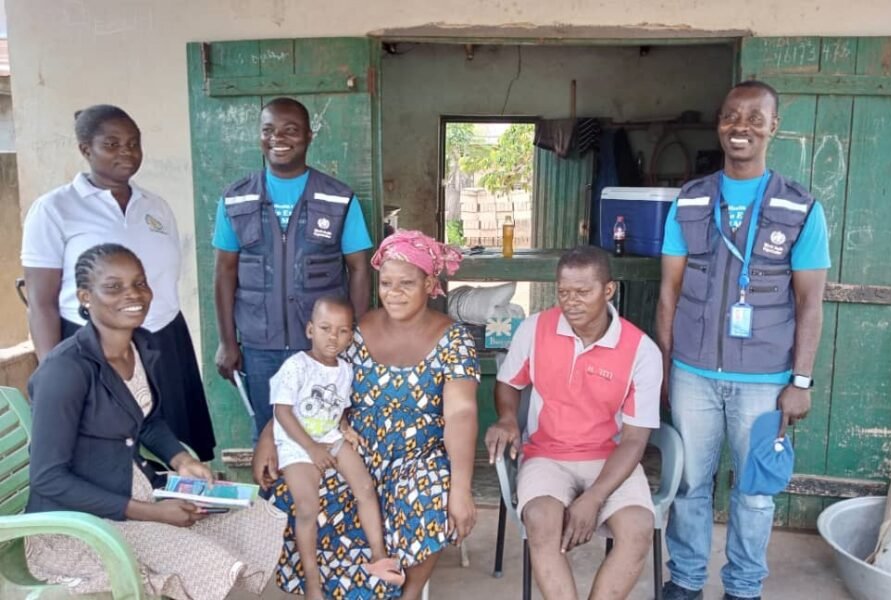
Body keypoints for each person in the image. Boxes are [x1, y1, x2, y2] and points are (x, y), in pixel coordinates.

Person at [24, 243, 286, 600]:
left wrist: (183, 460)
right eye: (113, 286)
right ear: (85, 297)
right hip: (80, 526)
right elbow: (48, 477)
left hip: (139, 491)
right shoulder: (66, 370)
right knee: (209, 562)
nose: (133, 295)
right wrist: (149, 513)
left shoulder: (140, 347)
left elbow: (147, 420)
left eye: (140, 283)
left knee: (253, 514)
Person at [656, 80, 831, 600]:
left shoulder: (801, 208)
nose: (742, 128)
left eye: (756, 119)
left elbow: (810, 305)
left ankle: (744, 588)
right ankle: (685, 582)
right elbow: (668, 294)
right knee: (689, 488)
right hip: (693, 376)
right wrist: (666, 369)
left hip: (764, 382)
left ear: (774, 127)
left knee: (754, 494)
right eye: (733, 116)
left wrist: (800, 381)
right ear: (720, 123)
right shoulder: (690, 201)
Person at [252, 230, 479, 599]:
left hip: (418, 458)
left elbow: (462, 414)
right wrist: (268, 438)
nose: (395, 292)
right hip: (351, 447)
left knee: (430, 496)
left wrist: (462, 488)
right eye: (387, 283)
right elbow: (308, 389)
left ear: (429, 283)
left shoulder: (454, 341)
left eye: (407, 283)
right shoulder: (356, 332)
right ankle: (327, 589)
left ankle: (409, 593)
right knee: (300, 493)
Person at [20, 104, 216, 460]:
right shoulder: (55, 209)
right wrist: (54, 377)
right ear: (85, 149)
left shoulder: (155, 206)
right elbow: (41, 302)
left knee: (176, 452)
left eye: (133, 143)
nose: (126, 152)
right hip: (92, 346)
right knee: (107, 456)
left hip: (164, 341)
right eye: (112, 144)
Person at [484, 245, 664, 600]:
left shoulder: (641, 350)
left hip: (611, 459)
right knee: (540, 519)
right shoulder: (535, 329)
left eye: (583, 292)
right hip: (547, 455)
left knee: (638, 530)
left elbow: (633, 440)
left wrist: (594, 498)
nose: (571, 302)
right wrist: (507, 417)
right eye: (563, 292)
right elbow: (508, 382)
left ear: (608, 290)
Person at [212, 96, 374, 438]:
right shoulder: (235, 198)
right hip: (260, 348)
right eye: (268, 130)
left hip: (321, 345)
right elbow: (225, 272)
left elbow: (359, 269)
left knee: (327, 431)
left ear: (310, 136)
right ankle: (274, 495)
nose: (278, 138)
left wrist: (355, 337)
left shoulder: (338, 198)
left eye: (291, 130)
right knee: (268, 437)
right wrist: (228, 341)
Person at [270, 296, 405, 599]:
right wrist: (311, 449)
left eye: (343, 331)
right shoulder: (296, 366)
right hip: (296, 443)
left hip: (330, 437)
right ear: (309, 330)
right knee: (307, 508)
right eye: (325, 328)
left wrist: (346, 429)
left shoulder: (345, 370)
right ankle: (313, 584)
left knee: (366, 488)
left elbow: (337, 410)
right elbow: (282, 412)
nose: (333, 337)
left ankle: (379, 557)